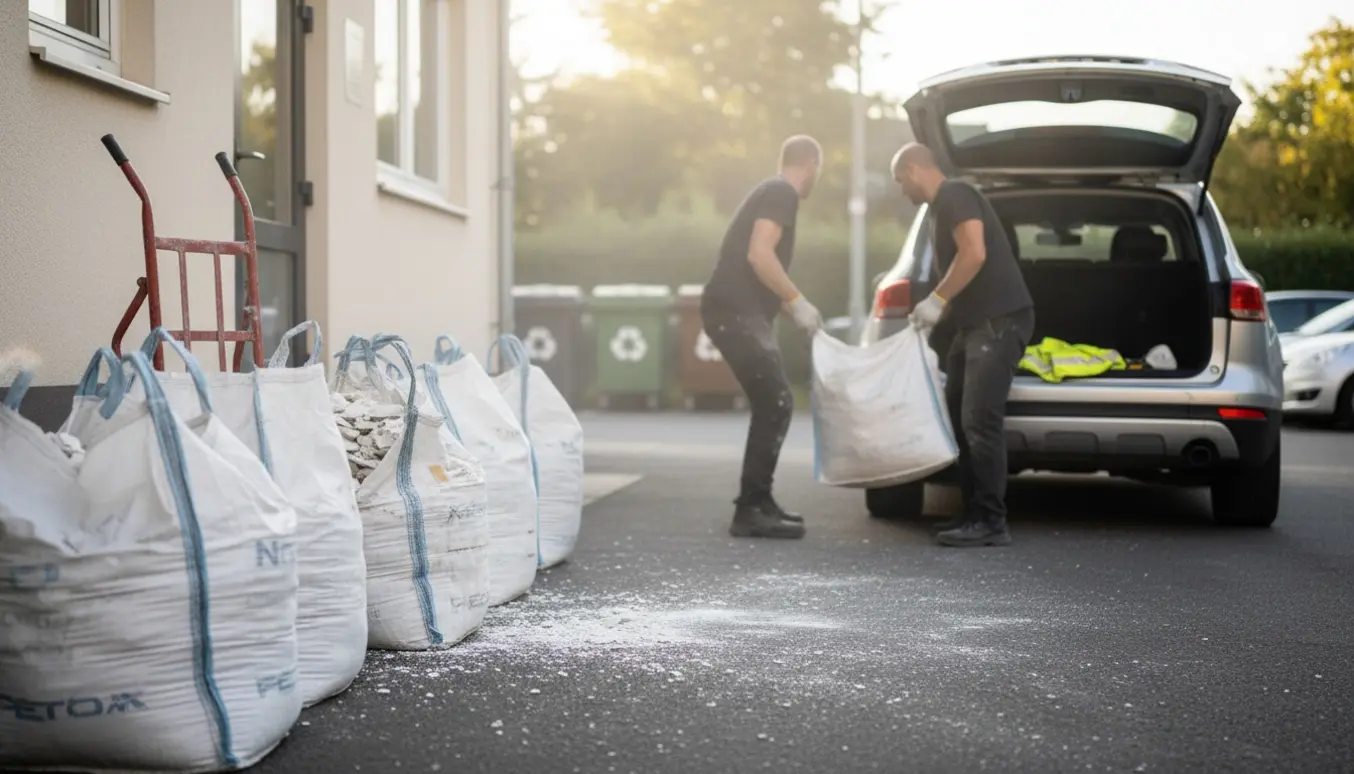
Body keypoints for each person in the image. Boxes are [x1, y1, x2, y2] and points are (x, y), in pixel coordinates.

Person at [891, 142, 1035, 548]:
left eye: (900, 180)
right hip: (972, 325)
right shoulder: (940, 209)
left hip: (998, 321)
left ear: (914, 169)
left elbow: (974, 253)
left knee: (978, 418)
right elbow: (961, 273)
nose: (901, 190)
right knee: (956, 412)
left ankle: (991, 520)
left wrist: (936, 300)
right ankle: (972, 512)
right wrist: (932, 315)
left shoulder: (955, 193)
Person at [700, 135, 825, 539]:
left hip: (737, 311)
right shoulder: (781, 191)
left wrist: (796, 311)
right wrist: (798, 301)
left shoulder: (771, 192)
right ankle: (751, 509)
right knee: (776, 401)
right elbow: (760, 255)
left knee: (772, 402)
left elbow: (763, 273)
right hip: (734, 312)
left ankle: (760, 501)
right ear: (811, 165)